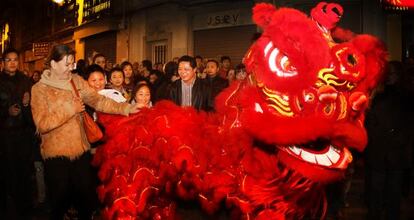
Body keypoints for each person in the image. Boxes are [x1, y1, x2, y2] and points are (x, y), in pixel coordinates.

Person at [30, 44, 141, 220]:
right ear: (52, 63)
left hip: (81, 150)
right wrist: (70, 108)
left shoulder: (76, 81)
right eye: (66, 64)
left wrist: (126, 108)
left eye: (72, 64)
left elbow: (99, 101)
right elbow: (42, 124)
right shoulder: (39, 89)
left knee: (85, 199)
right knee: (59, 201)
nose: (70, 68)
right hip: (55, 155)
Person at [365, 61, 414, 220]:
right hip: (379, 150)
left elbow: (408, 125)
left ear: (399, 75)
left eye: (393, 73)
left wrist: (397, 139)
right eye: (388, 73)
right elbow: (370, 121)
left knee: (393, 191)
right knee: (376, 190)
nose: (390, 77)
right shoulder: (378, 95)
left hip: (395, 151)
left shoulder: (406, 97)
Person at [0, 48, 36, 219]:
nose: (12, 63)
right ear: (3, 62)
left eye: (15, 59)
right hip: (4, 135)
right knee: (7, 173)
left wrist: (27, 105)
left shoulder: (25, 80)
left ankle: (25, 209)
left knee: (25, 173)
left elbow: (34, 108)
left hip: (24, 134)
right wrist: (6, 112)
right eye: (9, 60)